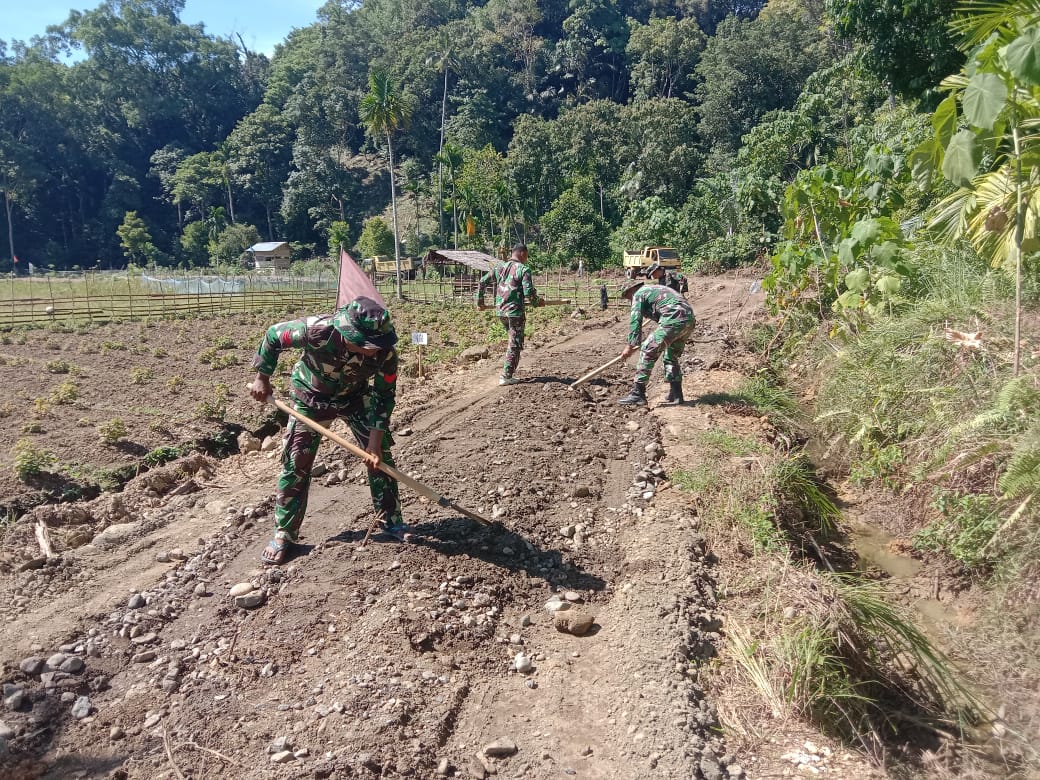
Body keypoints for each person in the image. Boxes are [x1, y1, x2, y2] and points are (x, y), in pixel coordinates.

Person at [248, 296, 410, 565]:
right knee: (296, 461)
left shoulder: (386, 353)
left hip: (355, 398)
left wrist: (374, 444)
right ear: (348, 332)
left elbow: (384, 397)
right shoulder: (317, 330)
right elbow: (274, 335)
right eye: (366, 344)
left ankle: (391, 520)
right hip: (310, 397)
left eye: (377, 344)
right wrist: (262, 377)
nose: (373, 350)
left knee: (381, 458)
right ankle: (284, 533)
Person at [617, 278, 696, 406]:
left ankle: (638, 393)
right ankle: (676, 394)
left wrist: (630, 346)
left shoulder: (639, 293)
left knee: (648, 348)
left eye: (627, 297)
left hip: (674, 319)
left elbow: (635, 321)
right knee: (670, 356)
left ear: (631, 290)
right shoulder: (655, 289)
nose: (630, 301)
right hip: (689, 320)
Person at [476, 243, 541, 386]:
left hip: (501, 311)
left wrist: (480, 302)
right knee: (515, 343)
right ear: (522, 253)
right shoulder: (523, 269)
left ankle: (508, 373)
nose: (526, 259)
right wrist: (537, 302)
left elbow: (482, 281)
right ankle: (506, 376)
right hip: (515, 312)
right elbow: (529, 293)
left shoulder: (500, 268)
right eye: (526, 256)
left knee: (513, 341)